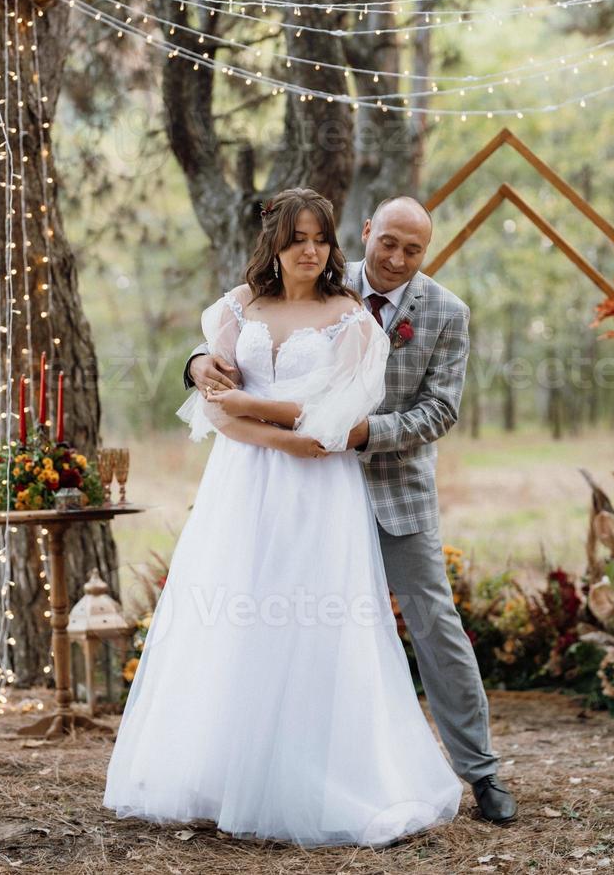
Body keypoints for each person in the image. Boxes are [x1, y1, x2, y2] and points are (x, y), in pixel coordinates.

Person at [103, 188, 463, 847]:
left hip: (319, 492)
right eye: (296, 237)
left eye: (318, 239)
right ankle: (224, 772)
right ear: (275, 242)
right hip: (242, 482)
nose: (308, 249)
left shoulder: (350, 317)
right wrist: (254, 421)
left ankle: (318, 775)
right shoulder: (238, 308)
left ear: (332, 245)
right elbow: (211, 405)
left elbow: (332, 421)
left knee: (313, 618)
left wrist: (254, 407)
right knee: (236, 612)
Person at [185, 194, 518, 826]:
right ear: (366, 233)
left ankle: (482, 773)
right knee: (289, 619)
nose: (395, 257)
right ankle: (291, 768)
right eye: (387, 242)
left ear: (428, 251)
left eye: (412, 249)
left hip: (391, 486)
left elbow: (439, 411)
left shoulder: (446, 312)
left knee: (432, 622)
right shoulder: (318, 276)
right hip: (295, 485)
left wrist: (356, 434)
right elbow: (244, 341)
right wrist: (197, 362)